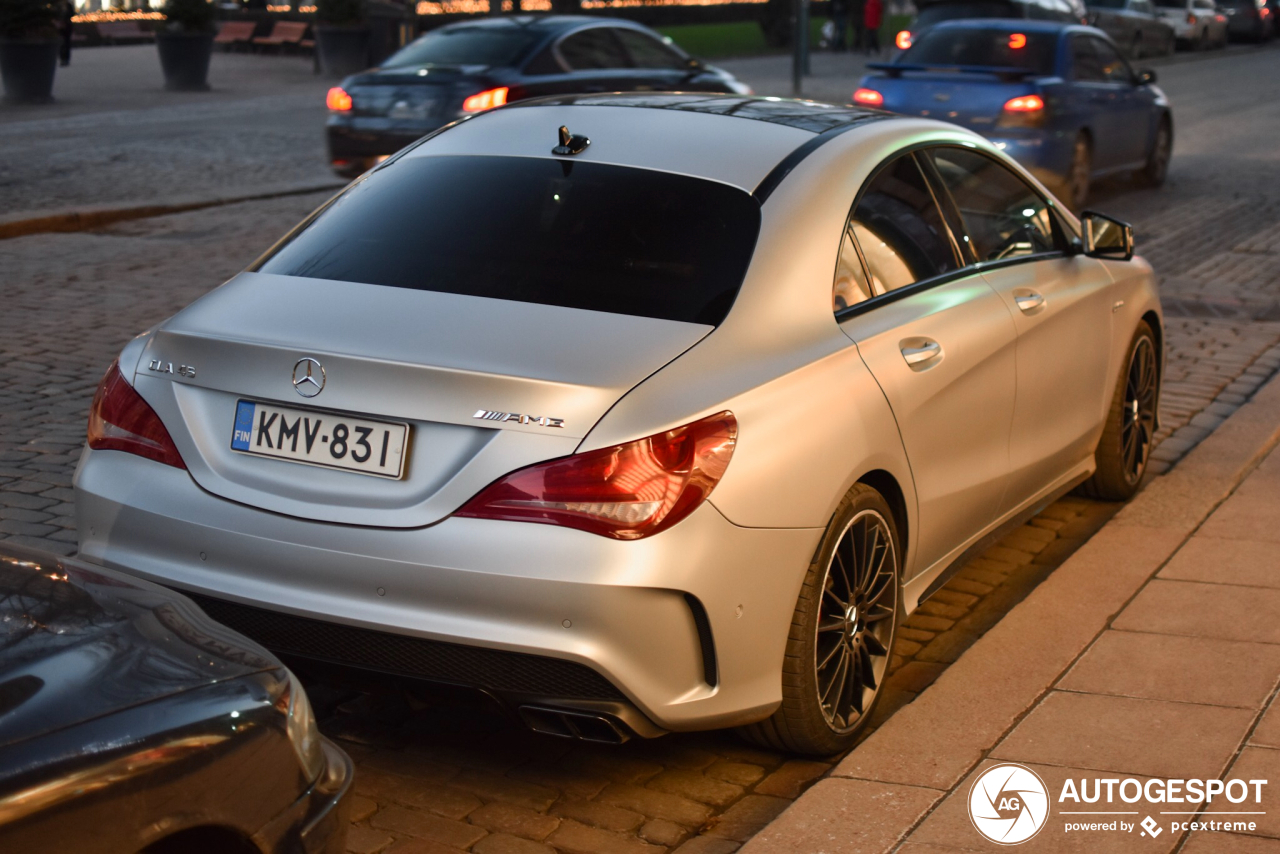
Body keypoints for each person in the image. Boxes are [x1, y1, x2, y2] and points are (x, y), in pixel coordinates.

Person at [59, 0, 74, 67]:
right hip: (61, 26)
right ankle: (62, 58)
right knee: (62, 43)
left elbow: (72, 13)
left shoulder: (68, 5)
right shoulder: (60, 6)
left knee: (66, 43)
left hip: (67, 26)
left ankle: (66, 59)